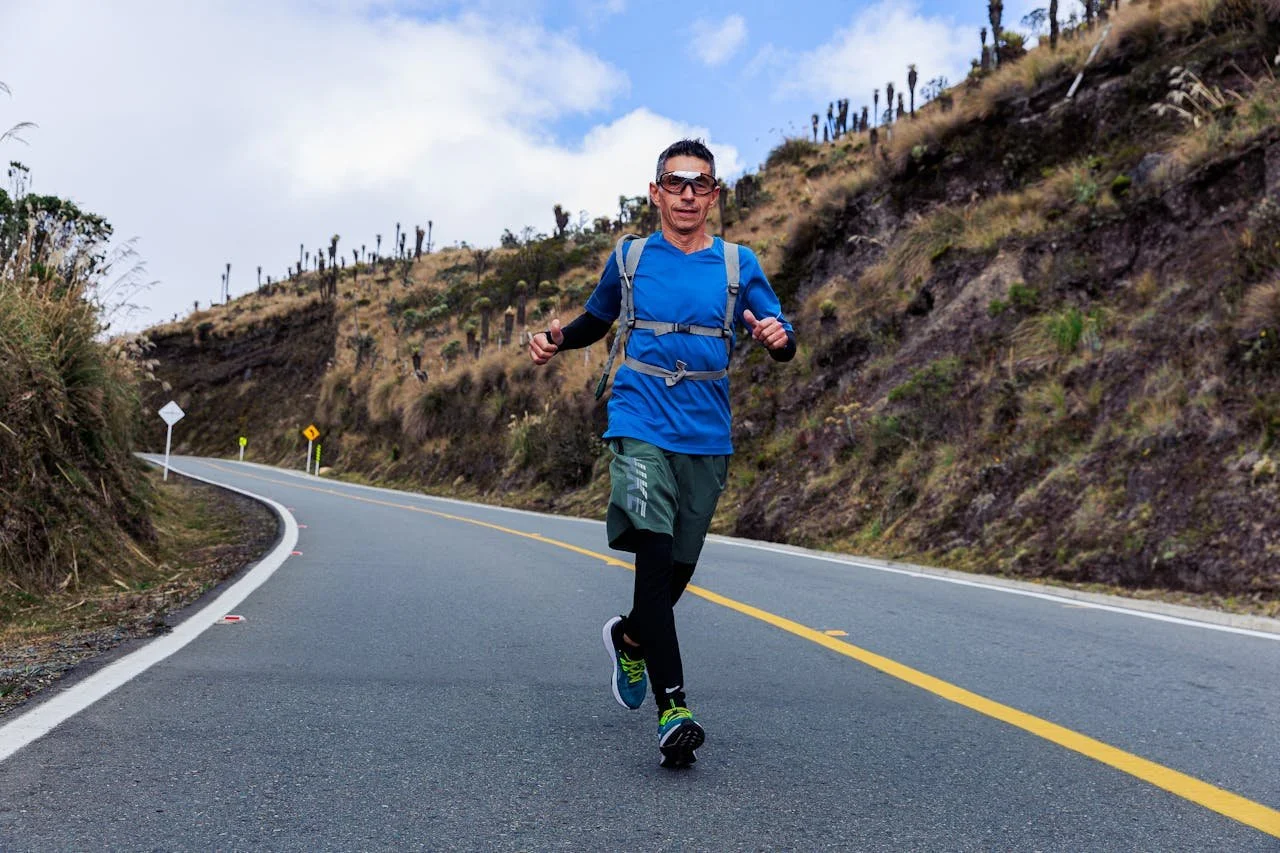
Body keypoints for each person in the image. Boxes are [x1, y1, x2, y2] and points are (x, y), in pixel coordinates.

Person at [528, 139, 795, 768]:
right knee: (653, 558)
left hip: (706, 431)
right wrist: (555, 338)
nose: (686, 195)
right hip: (640, 417)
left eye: (699, 184)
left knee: (675, 573)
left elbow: (780, 339)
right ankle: (673, 708)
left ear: (714, 196)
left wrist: (779, 339)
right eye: (674, 183)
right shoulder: (630, 257)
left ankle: (628, 637)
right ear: (655, 193)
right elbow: (597, 319)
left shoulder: (737, 264)